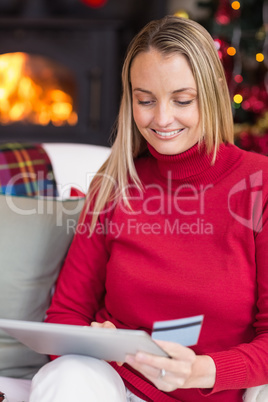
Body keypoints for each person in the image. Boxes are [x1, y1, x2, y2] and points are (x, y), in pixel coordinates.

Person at [29, 15, 268, 402]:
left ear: (210, 95)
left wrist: (202, 371)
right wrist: (92, 344)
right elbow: (67, 314)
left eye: (182, 100)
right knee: (67, 375)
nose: (161, 119)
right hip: (118, 385)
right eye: (145, 100)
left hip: (214, 390)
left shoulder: (259, 183)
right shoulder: (115, 185)